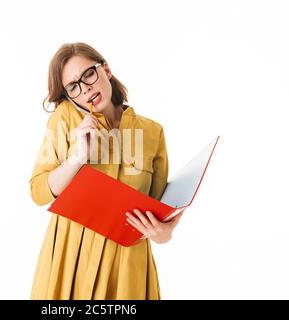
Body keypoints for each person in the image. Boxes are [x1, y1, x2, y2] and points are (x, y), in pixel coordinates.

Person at [29, 42, 183, 300]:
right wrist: (77, 157)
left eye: (88, 74)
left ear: (106, 70)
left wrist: (163, 234)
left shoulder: (152, 133)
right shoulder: (65, 119)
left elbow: (158, 216)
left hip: (127, 268)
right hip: (71, 260)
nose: (86, 88)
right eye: (73, 87)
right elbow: (38, 191)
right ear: (69, 95)